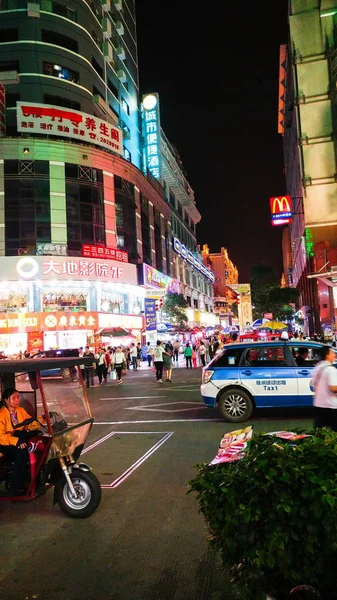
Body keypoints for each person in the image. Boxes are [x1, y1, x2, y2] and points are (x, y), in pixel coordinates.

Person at [0, 388, 44, 494]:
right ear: (6, 400)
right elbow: (1, 436)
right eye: (14, 398)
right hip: (4, 443)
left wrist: (42, 419)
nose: (17, 400)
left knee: (36, 444)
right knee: (22, 451)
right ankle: (16, 484)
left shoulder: (20, 410)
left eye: (18, 397)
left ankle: (33, 479)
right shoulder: (1, 414)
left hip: (18, 439)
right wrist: (16, 441)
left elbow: (29, 423)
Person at [312, 345, 337, 431]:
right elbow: (334, 388)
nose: (334, 355)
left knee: (319, 432)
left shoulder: (317, 368)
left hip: (318, 404)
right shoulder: (331, 370)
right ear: (327, 355)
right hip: (331, 406)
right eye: (332, 353)